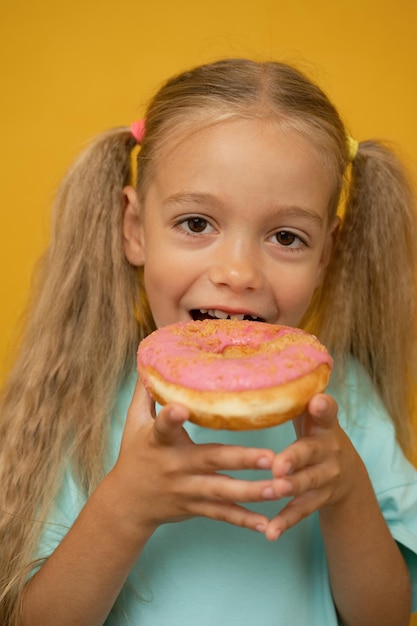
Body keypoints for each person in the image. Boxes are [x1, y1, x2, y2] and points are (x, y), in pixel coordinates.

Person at [1, 58, 417, 626]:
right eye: (197, 223)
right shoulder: (81, 399)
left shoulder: (346, 400)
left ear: (327, 255)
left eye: (287, 236)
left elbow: (387, 616)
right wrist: (126, 504)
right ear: (134, 229)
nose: (238, 272)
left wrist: (346, 491)